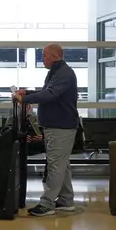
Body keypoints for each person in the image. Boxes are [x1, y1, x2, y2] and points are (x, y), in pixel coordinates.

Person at [15, 44, 79, 217]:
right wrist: (26, 92)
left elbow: (51, 95)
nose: (42, 58)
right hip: (55, 125)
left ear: (53, 56)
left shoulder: (64, 73)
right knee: (62, 164)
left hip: (61, 126)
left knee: (55, 165)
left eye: (44, 55)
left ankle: (47, 203)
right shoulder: (56, 72)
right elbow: (46, 91)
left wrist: (25, 99)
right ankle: (66, 200)